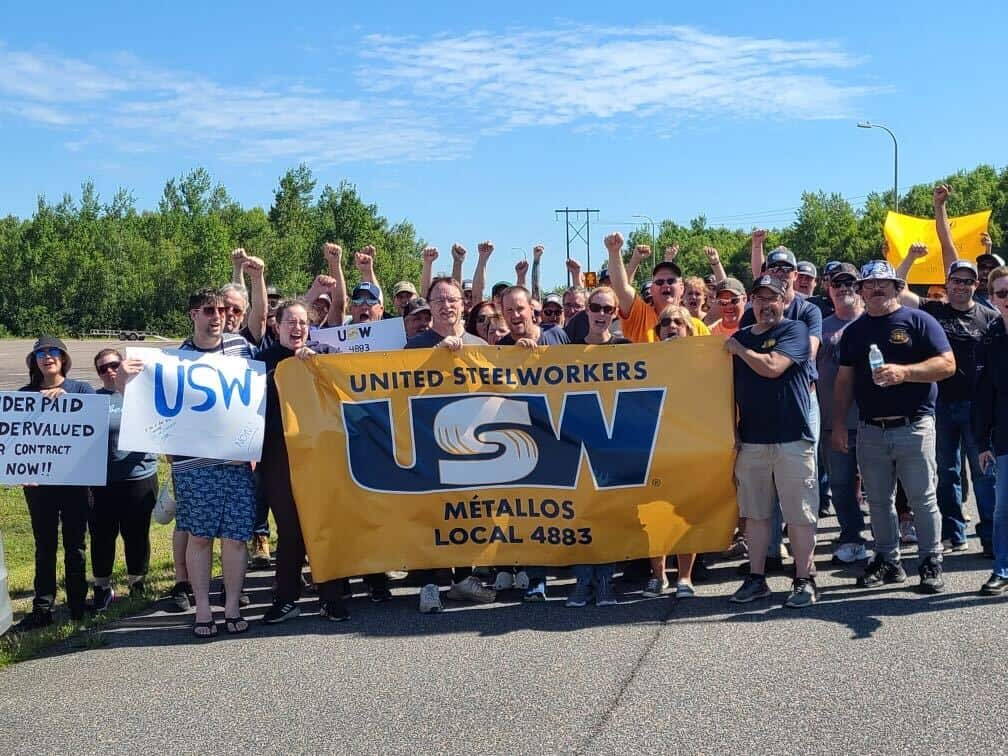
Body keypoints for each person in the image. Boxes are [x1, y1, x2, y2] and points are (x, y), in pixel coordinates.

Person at [124, 289, 261, 637]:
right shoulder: (173, 359)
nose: (216, 316)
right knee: (199, 538)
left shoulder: (241, 349)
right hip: (193, 467)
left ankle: (230, 605)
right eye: (207, 311)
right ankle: (202, 607)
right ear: (192, 315)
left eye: (221, 310)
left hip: (235, 463)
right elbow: (145, 405)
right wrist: (127, 379)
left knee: (236, 539)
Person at [832, 260, 955, 594]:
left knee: (922, 498)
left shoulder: (919, 320)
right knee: (878, 502)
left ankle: (931, 559)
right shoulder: (855, 331)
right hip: (870, 429)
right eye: (868, 284)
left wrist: (905, 372)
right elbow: (844, 381)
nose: (875, 288)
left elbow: (947, 364)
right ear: (860, 291)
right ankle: (889, 559)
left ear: (897, 287)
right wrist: (839, 423)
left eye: (883, 283)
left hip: (913, 425)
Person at [896, 187, 998, 554]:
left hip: (977, 407)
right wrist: (909, 257)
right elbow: (898, 289)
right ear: (948, 283)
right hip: (939, 404)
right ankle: (953, 533)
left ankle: (990, 538)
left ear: (976, 284)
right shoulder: (934, 309)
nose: (961, 286)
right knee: (946, 474)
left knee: (984, 475)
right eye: (956, 280)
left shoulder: (990, 315)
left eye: (968, 281)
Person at [726, 276, 819, 608]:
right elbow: (724, 390)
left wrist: (739, 349)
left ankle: (804, 578)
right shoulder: (739, 337)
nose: (767, 305)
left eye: (773, 298)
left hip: (792, 437)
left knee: (800, 514)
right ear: (752, 301)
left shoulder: (794, 331)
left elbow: (773, 367)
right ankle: (757, 578)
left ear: (784, 300)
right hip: (752, 440)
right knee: (755, 514)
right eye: (760, 298)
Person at [405, 277, 496, 613]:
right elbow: (399, 388)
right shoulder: (415, 346)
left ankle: (464, 579)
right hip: (429, 442)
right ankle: (429, 584)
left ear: (464, 304)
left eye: (453, 299)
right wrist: (436, 357)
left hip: (471, 443)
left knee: (468, 511)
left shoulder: (479, 344)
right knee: (431, 512)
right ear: (430, 306)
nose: (446, 305)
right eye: (439, 300)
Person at [259, 300, 349, 623]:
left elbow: (346, 387)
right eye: (290, 323)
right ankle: (286, 599)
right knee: (290, 527)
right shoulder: (262, 361)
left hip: (320, 453)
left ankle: (331, 596)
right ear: (277, 326)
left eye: (302, 323)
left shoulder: (323, 353)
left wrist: (316, 366)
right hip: (277, 455)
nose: (297, 329)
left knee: (324, 522)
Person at [13, 337, 96, 631]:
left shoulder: (81, 390)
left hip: (75, 482)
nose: (47, 357)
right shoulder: (24, 396)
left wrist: (71, 402)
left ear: (63, 358)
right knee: (44, 546)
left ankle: (77, 603)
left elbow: (94, 428)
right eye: (41, 354)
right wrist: (20, 468)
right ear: (34, 361)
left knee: (76, 546)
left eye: (53, 352)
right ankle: (42, 606)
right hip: (39, 485)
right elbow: (15, 440)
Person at [497, 285, 569, 601]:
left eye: (520, 308)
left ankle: (576, 573)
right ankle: (536, 577)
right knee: (527, 512)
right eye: (508, 310)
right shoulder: (498, 347)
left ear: (532, 309)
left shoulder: (557, 336)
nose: (515, 315)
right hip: (520, 443)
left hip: (558, 435)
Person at [565, 286, 629, 607]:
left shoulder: (628, 350)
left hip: (613, 445)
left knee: (607, 516)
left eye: (607, 309)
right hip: (576, 446)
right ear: (585, 311)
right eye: (595, 307)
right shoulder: (567, 353)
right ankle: (582, 580)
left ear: (616, 312)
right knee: (581, 515)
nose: (601, 314)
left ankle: (605, 580)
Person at [89, 348, 159, 612]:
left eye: (114, 365)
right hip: (101, 481)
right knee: (102, 536)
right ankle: (102, 586)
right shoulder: (92, 399)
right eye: (102, 368)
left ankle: (137, 583)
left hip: (139, 475)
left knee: (137, 534)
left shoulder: (142, 394)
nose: (109, 371)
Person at [816, 263, 868, 563]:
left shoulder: (873, 322)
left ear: (860, 286)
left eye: (850, 282)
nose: (844, 287)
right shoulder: (820, 327)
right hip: (832, 421)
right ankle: (851, 536)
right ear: (829, 289)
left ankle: (888, 540)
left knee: (881, 484)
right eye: (838, 283)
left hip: (872, 419)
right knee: (840, 484)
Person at [599, 232, 710, 343]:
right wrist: (614, 252)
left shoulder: (698, 328)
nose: (666, 285)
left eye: (671, 281)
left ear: (682, 288)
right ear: (651, 290)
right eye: (660, 282)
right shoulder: (639, 315)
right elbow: (621, 289)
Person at [974, 264, 1008, 593]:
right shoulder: (990, 337)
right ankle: (1003, 568)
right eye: (1002, 293)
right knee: (1003, 508)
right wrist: (982, 441)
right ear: (993, 298)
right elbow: (983, 395)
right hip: (1004, 436)